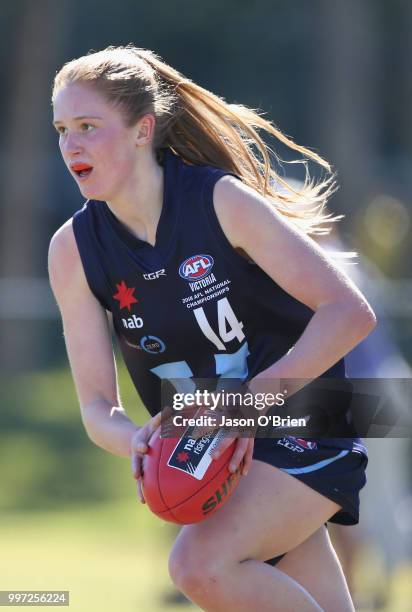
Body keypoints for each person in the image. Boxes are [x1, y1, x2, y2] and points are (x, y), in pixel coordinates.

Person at [49, 45, 377, 612]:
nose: (70, 145)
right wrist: (143, 442)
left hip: (301, 416)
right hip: (215, 448)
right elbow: (97, 406)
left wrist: (246, 408)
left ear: (141, 130)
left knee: (197, 566)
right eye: (60, 129)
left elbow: (349, 313)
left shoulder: (219, 201)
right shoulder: (73, 251)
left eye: (87, 126)